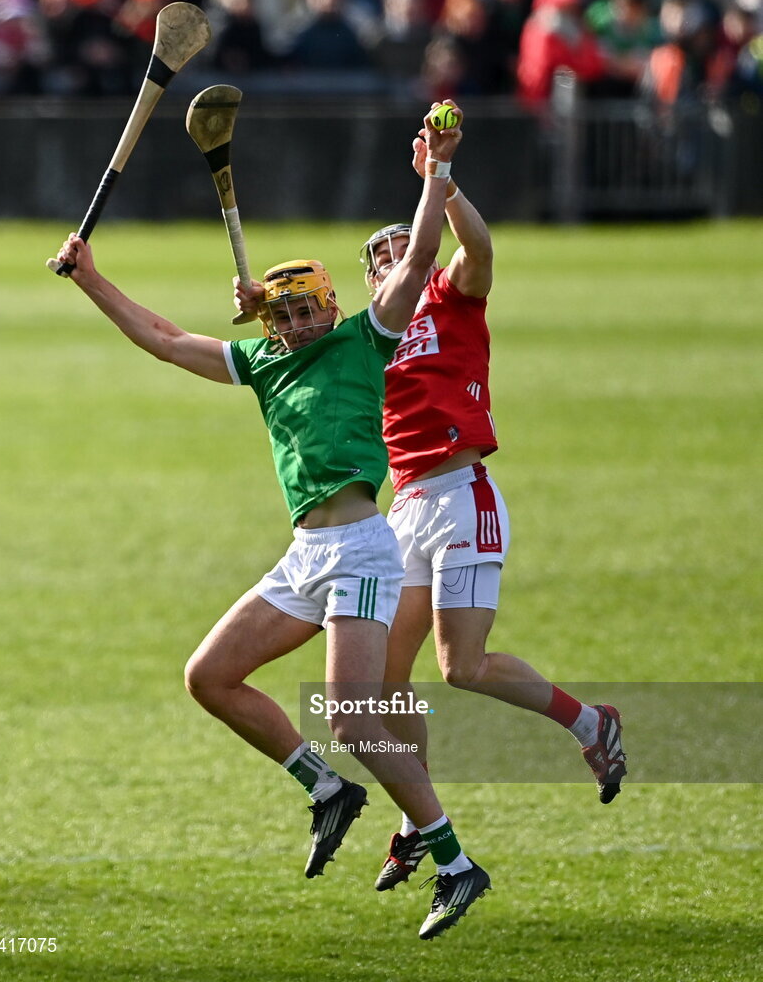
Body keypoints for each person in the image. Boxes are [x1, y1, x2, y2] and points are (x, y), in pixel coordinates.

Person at [54, 103, 491, 941]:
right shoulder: (260, 363)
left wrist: (437, 169)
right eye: (280, 315)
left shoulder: (370, 338)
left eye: (304, 312)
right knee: (209, 676)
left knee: (353, 712)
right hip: (304, 555)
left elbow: (427, 254)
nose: (292, 326)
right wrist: (92, 278)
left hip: (365, 545)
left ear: (330, 306)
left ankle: (453, 860)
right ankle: (327, 789)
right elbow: (162, 337)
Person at [357, 117, 628, 891]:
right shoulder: (368, 336)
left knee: (461, 669)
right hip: (405, 510)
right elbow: (291, 350)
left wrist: (440, 183)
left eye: (397, 252)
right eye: (377, 263)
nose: (389, 267)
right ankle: (419, 821)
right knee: (385, 682)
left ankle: (589, 722)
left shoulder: (450, 295)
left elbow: (480, 250)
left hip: (462, 494)